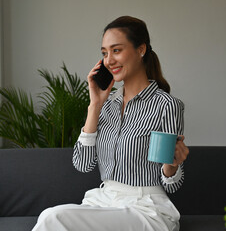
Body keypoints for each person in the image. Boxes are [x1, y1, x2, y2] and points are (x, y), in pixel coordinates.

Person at [32, 16, 189, 231]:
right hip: (103, 200)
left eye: (116, 50)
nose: (109, 60)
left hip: (144, 207)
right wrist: (95, 105)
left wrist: (172, 165)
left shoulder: (166, 105)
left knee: (53, 218)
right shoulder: (107, 106)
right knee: (52, 217)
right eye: (104, 53)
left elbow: (172, 185)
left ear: (141, 49)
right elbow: (83, 164)